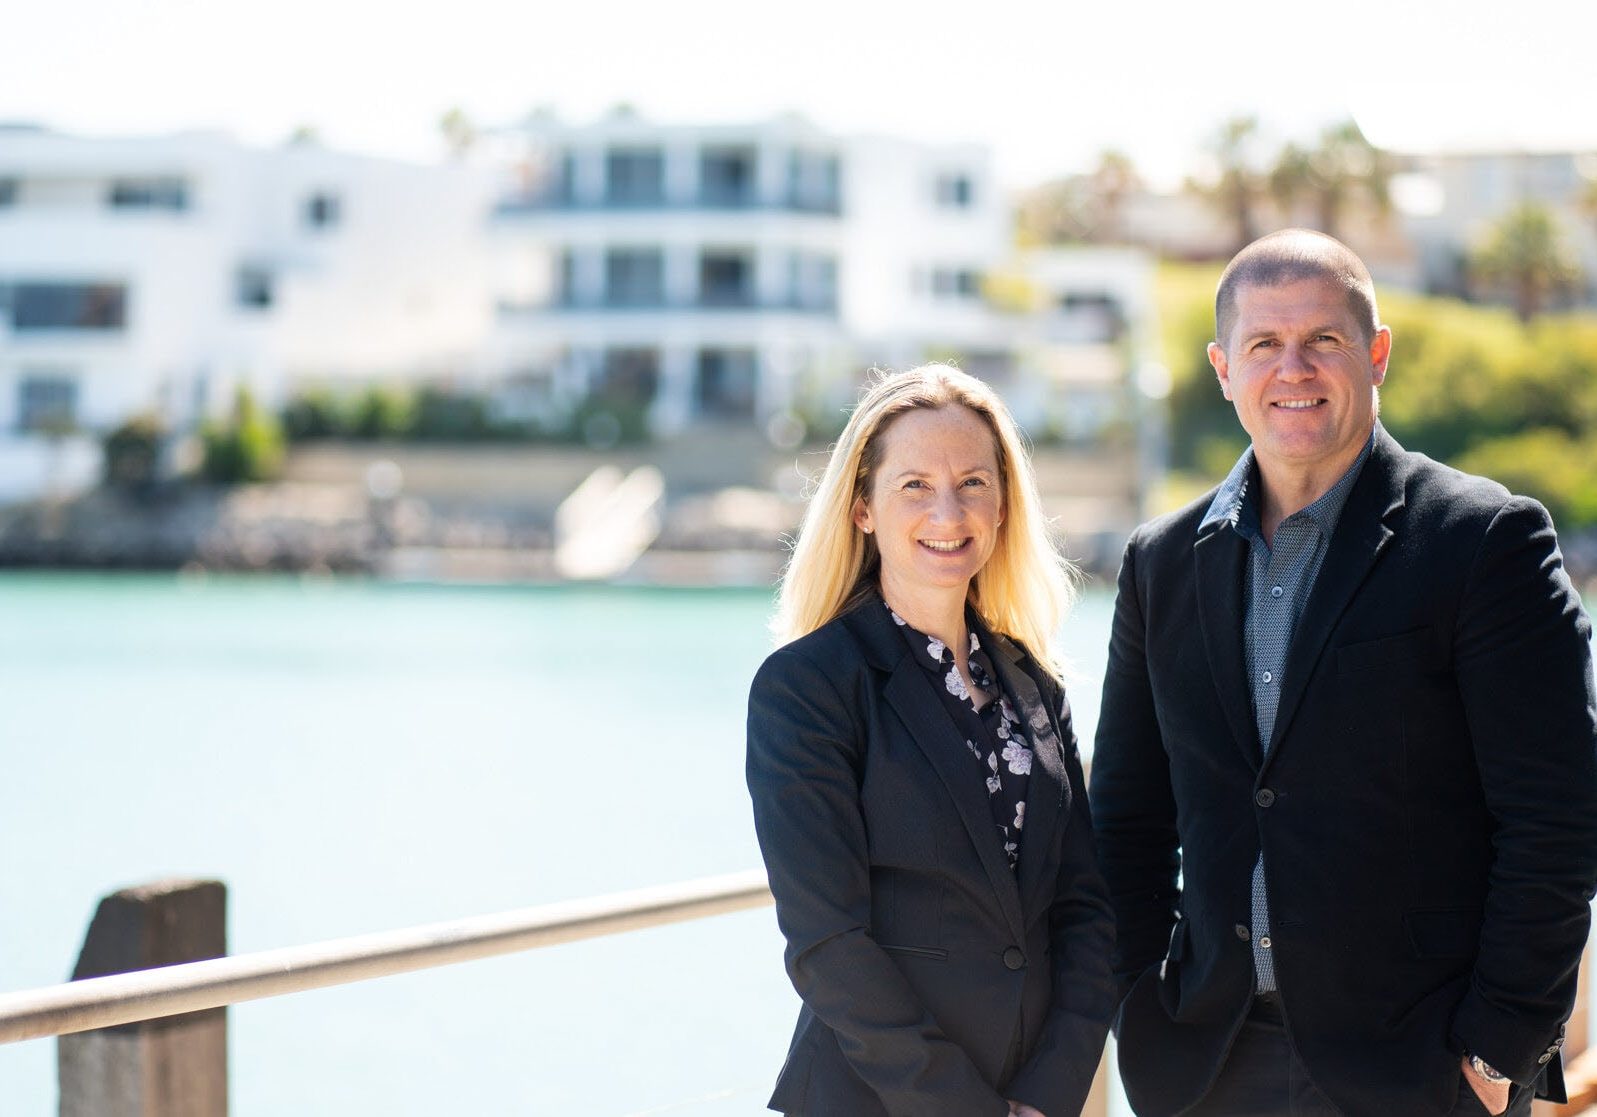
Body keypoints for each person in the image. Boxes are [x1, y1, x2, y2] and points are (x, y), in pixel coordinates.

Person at [1089, 228, 1597, 1117]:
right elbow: (1126, 820)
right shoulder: (1159, 561)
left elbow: (1559, 816)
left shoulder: (1484, 540)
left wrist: (1495, 1048)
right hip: (1208, 1063)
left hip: (1422, 1068)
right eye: (1262, 344)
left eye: (1322, 339)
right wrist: (1141, 1006)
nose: (1293, 368)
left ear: (1376, 353)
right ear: (1221, 367)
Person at [746, 364, 1116, 1116]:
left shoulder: (1033, 683)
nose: (947, 510)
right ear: (862, 509)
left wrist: (1048, 1092)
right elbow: (826, 940)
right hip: (874, 1098)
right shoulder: (807, 686)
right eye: (913, 484)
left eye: (973, 482)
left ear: (1003, 503)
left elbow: (1085, 909)